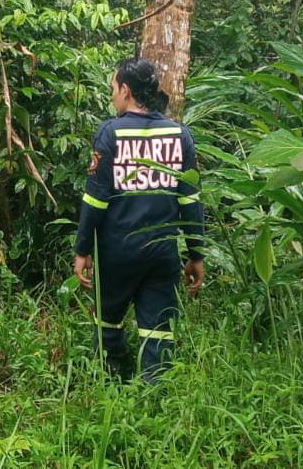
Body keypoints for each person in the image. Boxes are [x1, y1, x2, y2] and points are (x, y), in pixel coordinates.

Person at [73, 57, 205, 382]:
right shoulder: (179, 134)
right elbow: (190, 200)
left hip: (117, 250)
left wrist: (82, 250)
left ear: (126, 91)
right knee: (158, 328)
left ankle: (114, 385)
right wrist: (196, 253)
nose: (112, 97)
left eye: (113, 90)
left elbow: (96, 199)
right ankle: (153, 392)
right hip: (162, 252)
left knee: (108, 322)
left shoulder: (110, 133)